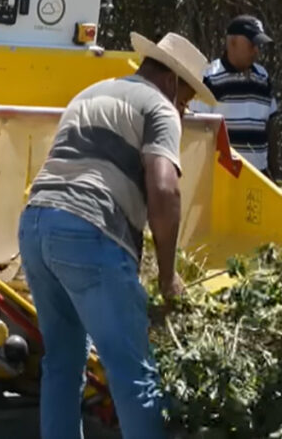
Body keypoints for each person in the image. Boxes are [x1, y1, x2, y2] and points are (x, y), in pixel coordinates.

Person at [17, 31, 214, 439]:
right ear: (173, 81)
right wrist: (167, 274)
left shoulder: (91, 93)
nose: (184, 109)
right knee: (132, 374)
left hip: (36, 225)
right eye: (187, 99)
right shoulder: (159, 107)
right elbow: (164, 189)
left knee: (63, 363)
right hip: (90, 232)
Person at [189, 15, 278, 177]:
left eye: (258, 45)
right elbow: (199, 133)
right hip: (222, 178)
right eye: (252, 44)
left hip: (259, 179)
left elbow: (269, 129)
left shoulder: (263, 78)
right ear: (232, 42)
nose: (257, 50)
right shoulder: (209, 77)